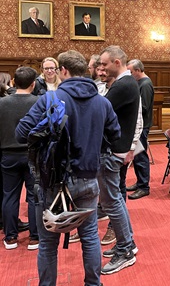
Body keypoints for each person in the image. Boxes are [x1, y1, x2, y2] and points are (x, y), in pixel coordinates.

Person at [16, 50, 120, 286]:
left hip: (53, 180)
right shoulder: (102, 102)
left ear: (63, 70)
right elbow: (116, 136)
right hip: (88, 178)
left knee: (48, 245)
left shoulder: (49, 100)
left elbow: (21, 133)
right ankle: (94, 284)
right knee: (90, 237)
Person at [98, 45, 140, 274]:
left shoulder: (124, 84)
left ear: (116, 62)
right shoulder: (125, 83)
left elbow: (99, 109)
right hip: (116, 149)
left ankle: (125, 249)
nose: (101, 68)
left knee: (112, 202)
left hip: (112, 150)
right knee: (114, 201)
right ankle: (127, 244)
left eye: (104, 64)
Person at [0, 67, 39, 251]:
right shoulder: (39, 102)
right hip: (33, 155)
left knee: (9, 196)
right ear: (34, 84)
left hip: (8, 155)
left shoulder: (1, 103)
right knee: (33, 196)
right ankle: (34, 237)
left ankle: (11, 237)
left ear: (13, 82)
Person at [126, 59, 154, 200]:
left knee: (141, 156)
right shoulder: (139, 83)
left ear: (138, 70)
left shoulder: (146, 84)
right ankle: (139, 182)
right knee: (137, 156)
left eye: (131, 72)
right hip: (138, 124)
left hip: (142, 125)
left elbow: (144, 107)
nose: (129, 75)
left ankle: (144, 187)